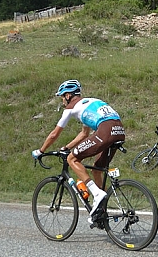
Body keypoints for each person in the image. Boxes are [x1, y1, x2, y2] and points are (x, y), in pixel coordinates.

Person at [32, 80, 126, 221]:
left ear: (68, 95)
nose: (63, 101)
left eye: (62, 97)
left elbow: (54, 134)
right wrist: (66, 147)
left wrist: (40, 150)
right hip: (119, 131)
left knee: (72, 159)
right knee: (97, 169)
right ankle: (102, 209)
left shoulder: (70, 108)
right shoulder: (90, 102)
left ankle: (97, 193)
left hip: (105, 131)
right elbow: (84, 134)